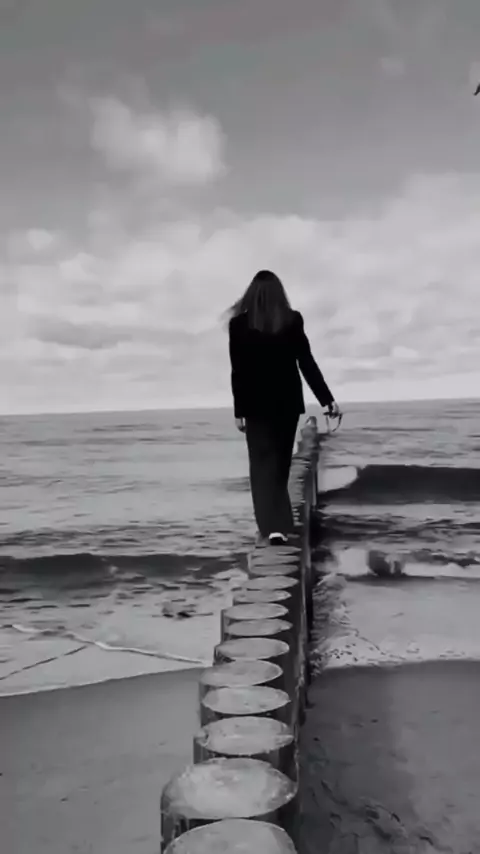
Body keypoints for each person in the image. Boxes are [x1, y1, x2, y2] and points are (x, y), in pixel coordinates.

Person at [227, 269, 340, 546]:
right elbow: (306, 362)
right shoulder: (292, 320)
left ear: (251, 295)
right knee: (279, 464)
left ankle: (271, 527)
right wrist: (327, 400)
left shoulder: (238, 325)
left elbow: (238, 371)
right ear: (280, 293)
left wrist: (239, 411)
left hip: (255, 405)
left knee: (261, 467)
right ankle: (281, 525)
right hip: (286, 404)